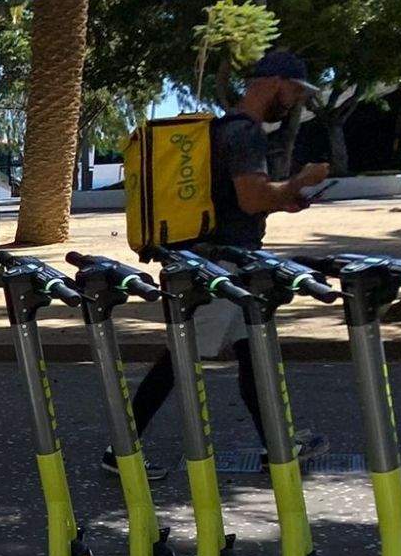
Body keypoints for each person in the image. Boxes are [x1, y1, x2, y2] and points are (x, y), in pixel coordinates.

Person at [109, 49, 329, 479]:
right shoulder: (244, 133)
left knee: (253, 354)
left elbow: (234, 201)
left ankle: (279, 446)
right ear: (275, 82)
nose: (297, 100)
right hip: (219, 266)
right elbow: (251, 197)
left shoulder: (223, 130)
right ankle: (120, 450)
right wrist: (299, 182)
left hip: (227, 261)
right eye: (296, 91)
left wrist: (284, 199)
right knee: (180, 357)